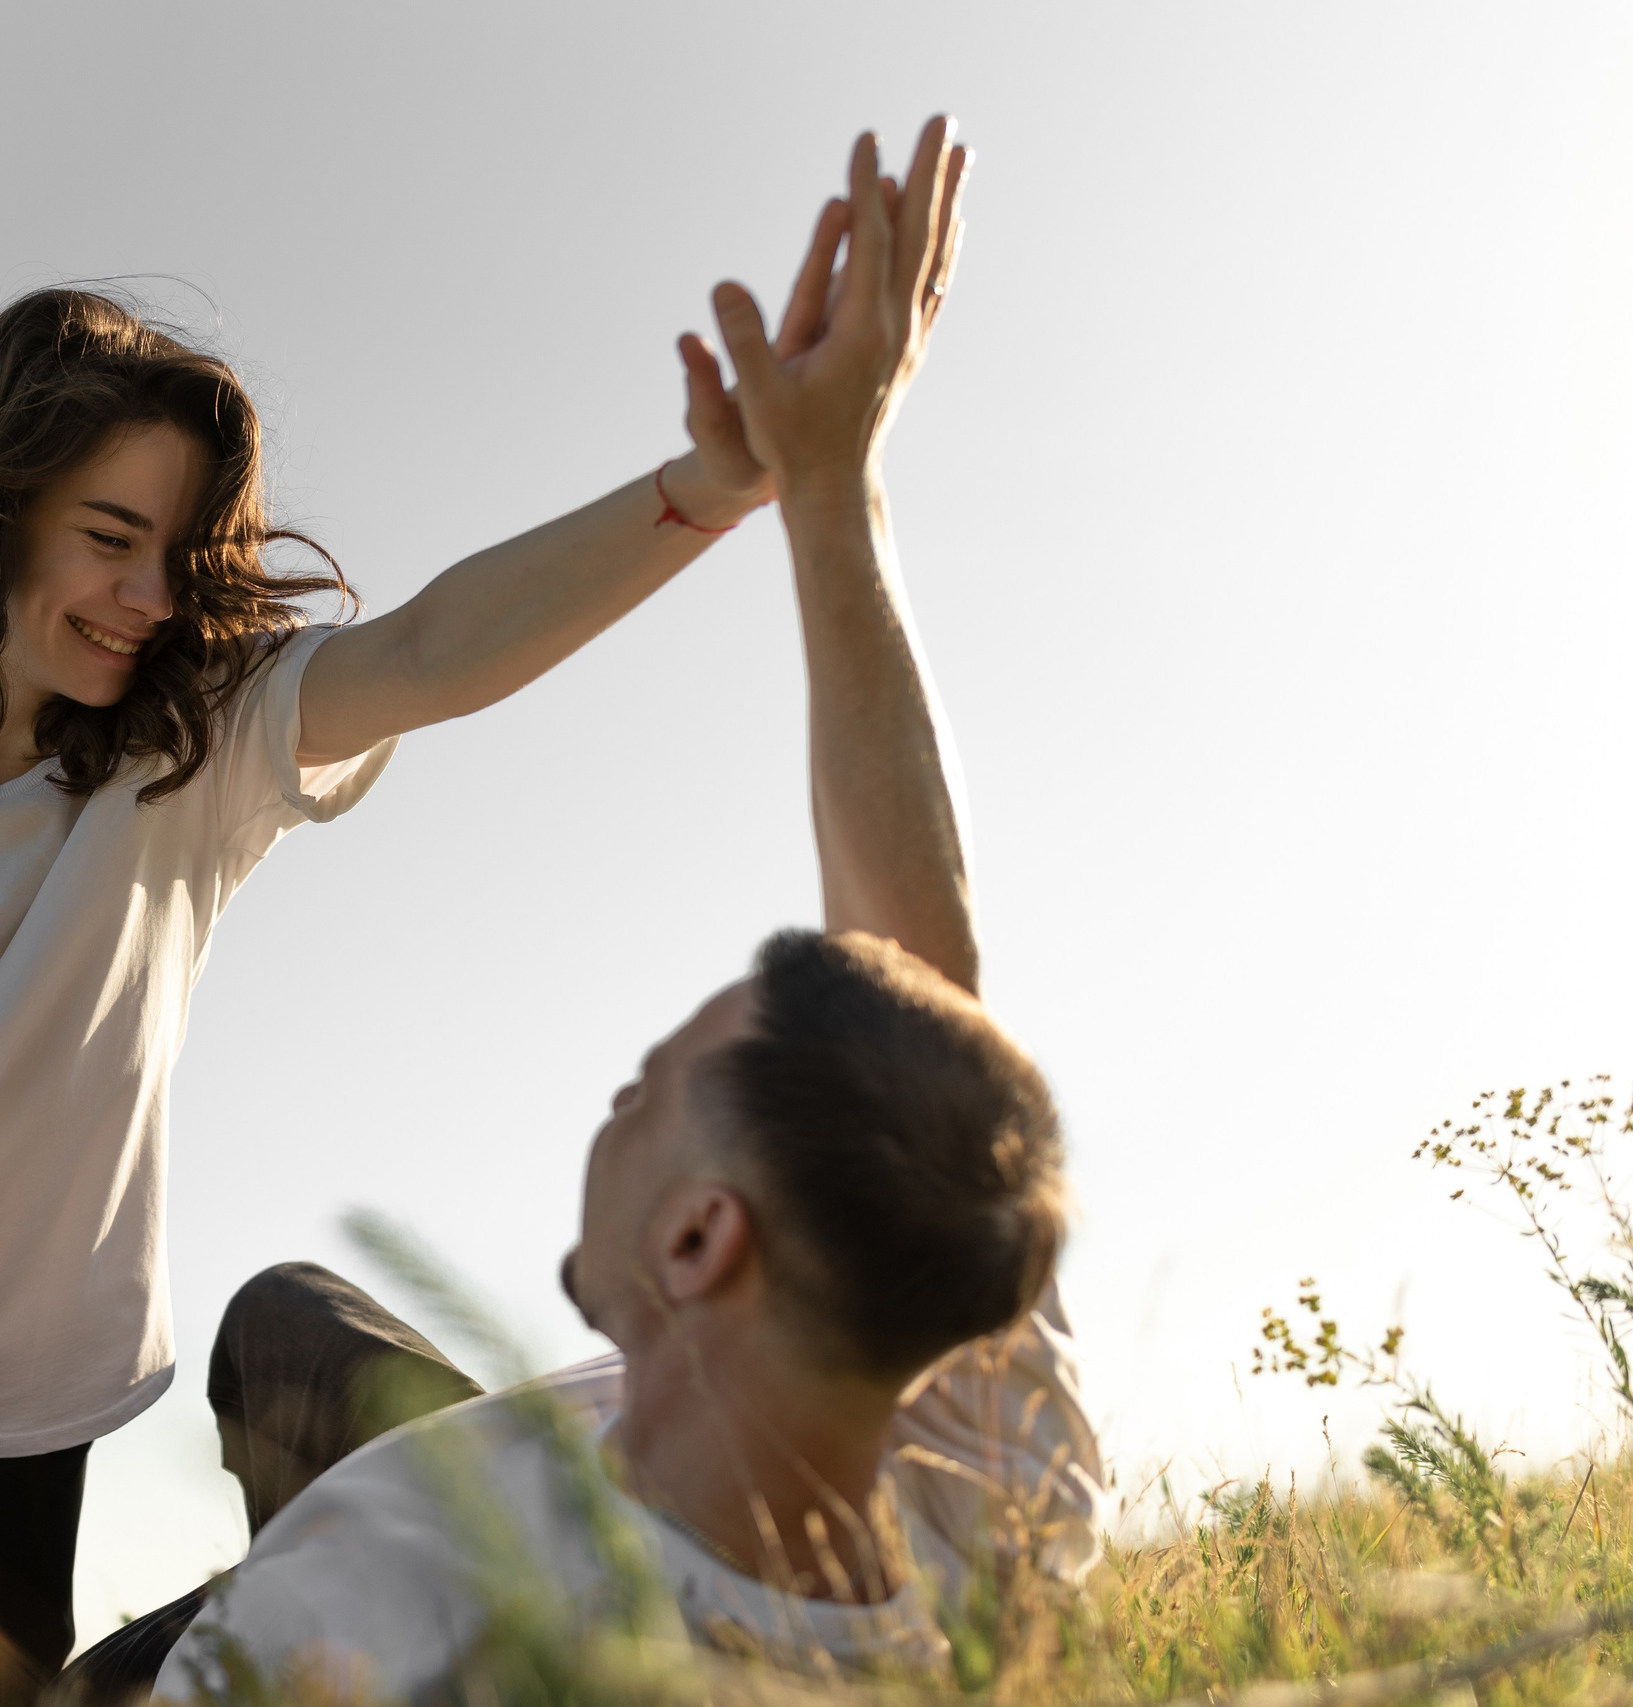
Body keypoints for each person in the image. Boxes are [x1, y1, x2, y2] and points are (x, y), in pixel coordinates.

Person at [0, 195, 793, 1695]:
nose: (149, 601)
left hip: (20, 1403)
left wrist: (708, 488)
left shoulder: (195, 741)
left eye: (177, 553)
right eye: (109, 538)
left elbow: (428, 653)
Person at [112, 116, 1108, 1696]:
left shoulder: (443, 1635)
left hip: (268, 1617)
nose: (616, 1090)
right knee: (288, 1315)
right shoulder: (977, 1427)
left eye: (651, 1084)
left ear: (705, 1235)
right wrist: (832, 482)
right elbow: (926, 987)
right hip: (485, 1473)